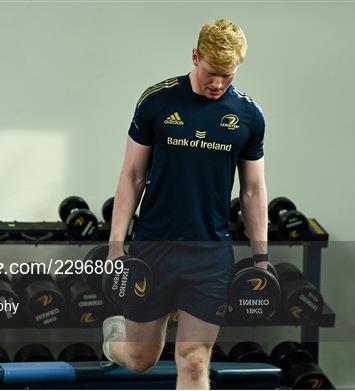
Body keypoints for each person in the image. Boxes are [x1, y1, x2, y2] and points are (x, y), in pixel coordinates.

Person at [102, 19, 269, 389]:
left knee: (193, 360)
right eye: (211, 73)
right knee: (141, 359)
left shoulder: (248, 116)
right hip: (154, 249)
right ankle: (114, 340)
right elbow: (132, 176)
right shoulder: (157, 102)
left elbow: (254, 190)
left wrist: (261, 258)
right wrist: (117, 245)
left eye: (227, 75)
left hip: (209, 255)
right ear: (195, 57)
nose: (217, 84)